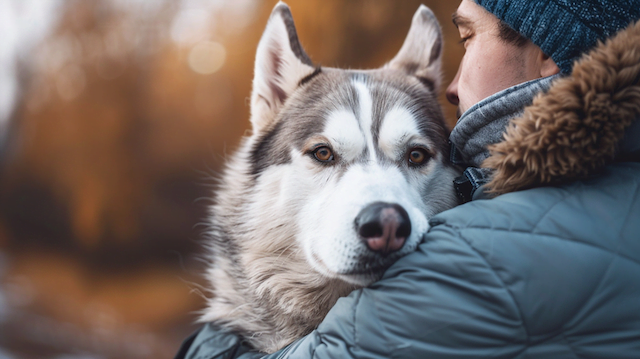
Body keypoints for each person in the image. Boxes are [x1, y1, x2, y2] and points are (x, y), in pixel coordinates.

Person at [175, 0, 640, 357]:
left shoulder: (475, 255)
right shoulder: (605, 186)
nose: (452, 88)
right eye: (323, 153)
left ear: (545, 53)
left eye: (415, 156)